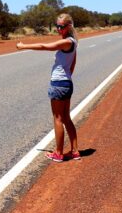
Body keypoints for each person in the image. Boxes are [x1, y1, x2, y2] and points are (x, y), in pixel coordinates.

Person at [16, 13, 80, 162]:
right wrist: (67, 77)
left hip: (58, 84)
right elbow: (73, 64)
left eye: (61, 26)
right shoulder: (73, 42)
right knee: (66, 118)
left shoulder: (66, 43)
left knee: (58, 119)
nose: (58, 28)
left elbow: (44, 46)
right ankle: (75, 151)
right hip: (66, 83)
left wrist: (23, 46)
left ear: (69, 26)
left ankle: (58, 153)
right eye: (57, 25)